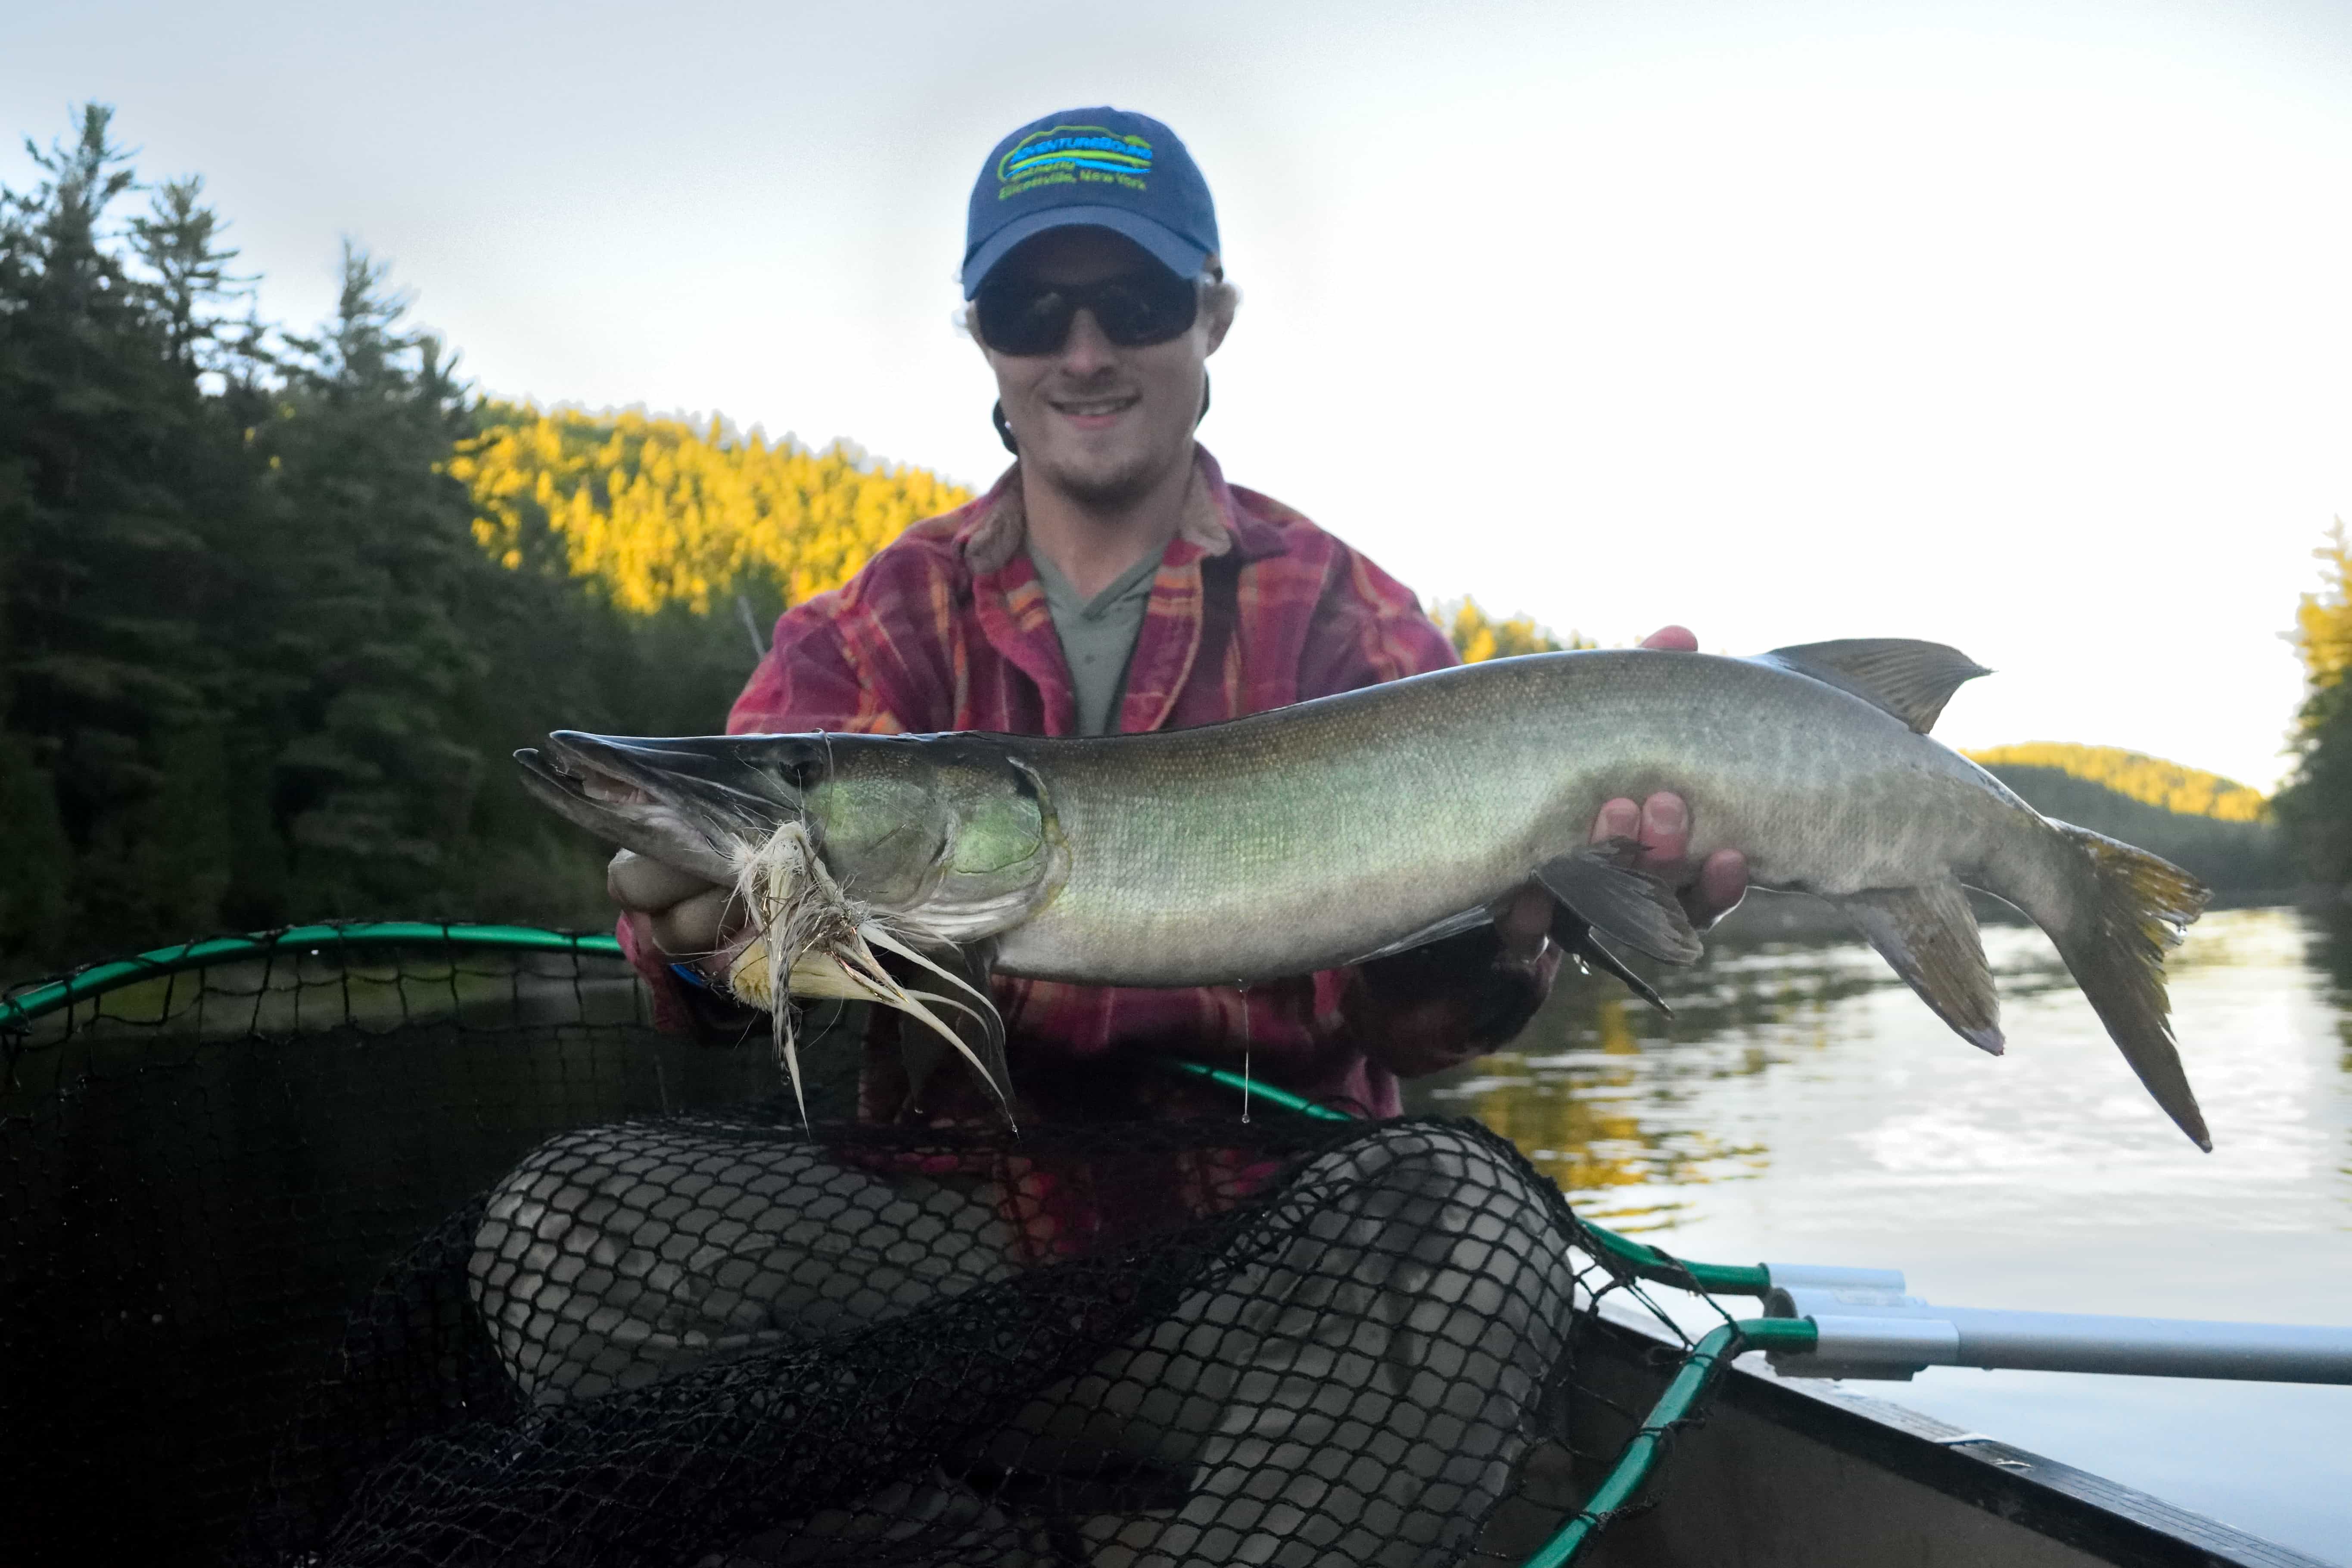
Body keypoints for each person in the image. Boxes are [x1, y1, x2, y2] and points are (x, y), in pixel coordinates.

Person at [467, 108, 1748, 1566]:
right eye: (1030, 308)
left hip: (1265, 1266)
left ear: (1207, 319)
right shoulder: (872, 629)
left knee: (1470, 1231)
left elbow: (1417, 1026)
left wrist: (1520, 932)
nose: (1082, 350)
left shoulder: (1351, 620)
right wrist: (698, 947)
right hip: (931, 1270)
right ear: (987, 343)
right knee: (569, 1236)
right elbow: (701, 991)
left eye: (1130, 302)